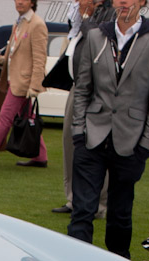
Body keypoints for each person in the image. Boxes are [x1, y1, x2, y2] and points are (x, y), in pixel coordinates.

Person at [67, 0, 149, 259]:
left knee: (120, 215)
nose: (123, 2)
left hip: (131, 141)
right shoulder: (95, 36)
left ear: (142, 2)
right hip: (91, 136)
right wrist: (79, 132)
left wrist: (146, 146)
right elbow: (83, 89)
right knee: (82, 211)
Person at [0, 0, 48, 168]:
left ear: (32, 2)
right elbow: (15, 53)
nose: (19, 2)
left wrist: (35, 86)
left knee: (5, 117)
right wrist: (0, 59)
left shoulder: (37, 25)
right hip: (15, 80)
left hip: (24, 83)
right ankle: (40, 157)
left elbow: (39, 58)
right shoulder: (19, 23)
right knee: (28, 118)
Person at [53, 0, 107, 215]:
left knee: (97, 145)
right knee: (70, 141)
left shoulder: (109, 14)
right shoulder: (78, 15)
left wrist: (86, 17)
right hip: (78, 87)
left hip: (98, 89)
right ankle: (74, 199)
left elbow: (97, 41)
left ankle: (100, 204)